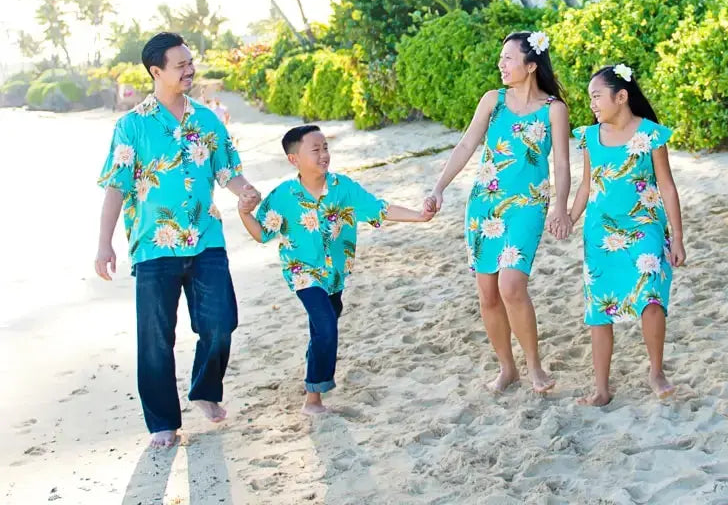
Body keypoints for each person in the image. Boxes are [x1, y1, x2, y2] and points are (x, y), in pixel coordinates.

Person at [94, 32, 261, 448]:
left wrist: (245, 190)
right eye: (180, 64)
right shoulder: (131, 127)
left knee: (221, 323)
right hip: (154, 246)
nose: (190, 69)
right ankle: (163, 422)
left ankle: (205, 389)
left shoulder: (207, 120)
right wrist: (104, 243)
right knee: (155, 337)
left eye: (191, 62)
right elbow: (116, 186)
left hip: (206, 238)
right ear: (156, 71)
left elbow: (227, 171)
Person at [238, 124, 434, 415]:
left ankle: (312, 371)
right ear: (294, 159)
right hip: (302, 272)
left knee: (324, 326)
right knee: (326, 326)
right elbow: (261, 234)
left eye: (325, 148)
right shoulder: (283, 196)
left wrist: (418, 216)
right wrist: (244, 212)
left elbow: (379, 208)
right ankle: (313, 397)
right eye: (315, 149)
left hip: (336, 273)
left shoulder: (343, 189)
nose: (323, 154)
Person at [424, 30, 571, 393]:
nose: (501, 64)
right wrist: (439, 187)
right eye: (501, 58)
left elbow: (564, 165)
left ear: (531, 65)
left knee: (511, 285)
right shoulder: (494, 100)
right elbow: (466, 144)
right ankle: (508, 368)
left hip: (527, 206)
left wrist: (561, 208)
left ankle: (534, 366)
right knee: (488, 294)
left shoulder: (554, 109)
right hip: (484, 205)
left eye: (508, 58)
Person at [569, 63, 686, 406]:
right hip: (600, 233)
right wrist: (569, 218)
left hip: (645, 226)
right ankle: (602, 388)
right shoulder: (591, 137)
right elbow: (586, 186)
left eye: (597, 96)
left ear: (621, 97)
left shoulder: (649, 135)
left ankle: (656, 370)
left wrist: (677, 236)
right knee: (599, 308)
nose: (592, 103)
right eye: (589, 97)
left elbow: (667, 185)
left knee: (650, 293)